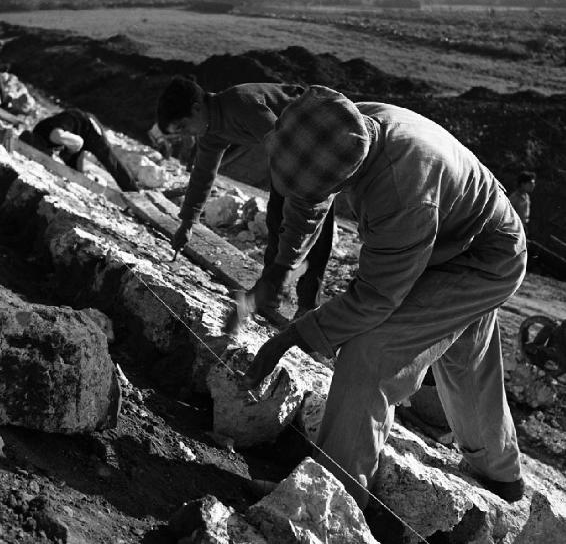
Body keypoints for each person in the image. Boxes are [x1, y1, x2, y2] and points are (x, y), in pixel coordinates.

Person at [240, 86, 528, 508]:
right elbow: (308, 198)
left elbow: (376, 297)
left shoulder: (400, 188)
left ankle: (332, 500)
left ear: (351, 174)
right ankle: (502, 474)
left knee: (371, 355)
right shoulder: (341, 125)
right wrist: (282, 269)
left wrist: (290, 338)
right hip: (451, 232)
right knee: (467, 359)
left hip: (484, 258)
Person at [156, 76, 336, 317]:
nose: (185, 136)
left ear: (196, 109)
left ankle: (306, 305)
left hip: (319, 136)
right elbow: (203, 175)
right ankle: (269, 295)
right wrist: (188, 222)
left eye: (182, 128)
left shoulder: (242, 104)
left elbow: (286, 144)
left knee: (314, 226)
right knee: (277, 220)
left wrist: (294, 196)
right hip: (289, 152)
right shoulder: (210, 131)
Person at [22, 108, 139, 192]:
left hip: (88, 127)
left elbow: (78, 142)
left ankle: (133, 191)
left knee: (109, 160)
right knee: (74, 171)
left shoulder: (54, 136)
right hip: (72, 125)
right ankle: (84, 176)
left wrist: (67, 154)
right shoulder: (39, 130)